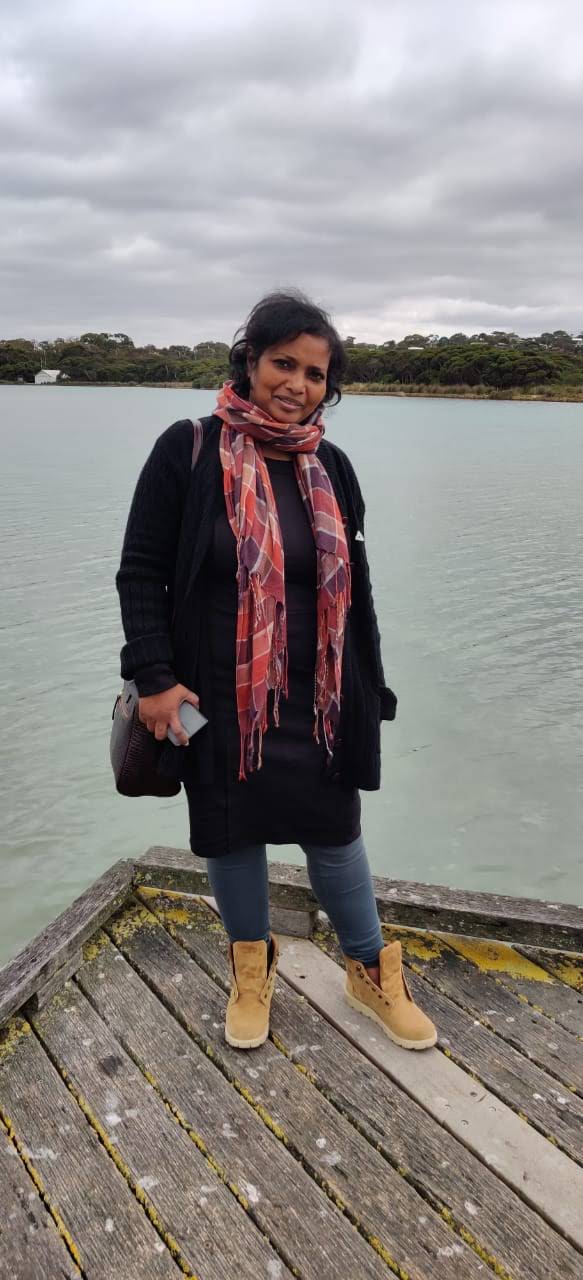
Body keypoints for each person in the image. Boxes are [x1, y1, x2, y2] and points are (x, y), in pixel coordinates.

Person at [116, 291, 437, 1052]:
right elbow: (141, 571)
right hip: (218, 691)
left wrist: (370, 686)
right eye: (282, 364)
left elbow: (356, 589)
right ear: (250, 361)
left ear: (330, 386)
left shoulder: (332, 467)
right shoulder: (188, 449)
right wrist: (154, 676)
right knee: (231, 833)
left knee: (335, 832)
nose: (296, 384)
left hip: (319, 694)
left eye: (314, 373)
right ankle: (250, 970)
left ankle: (370, 972)